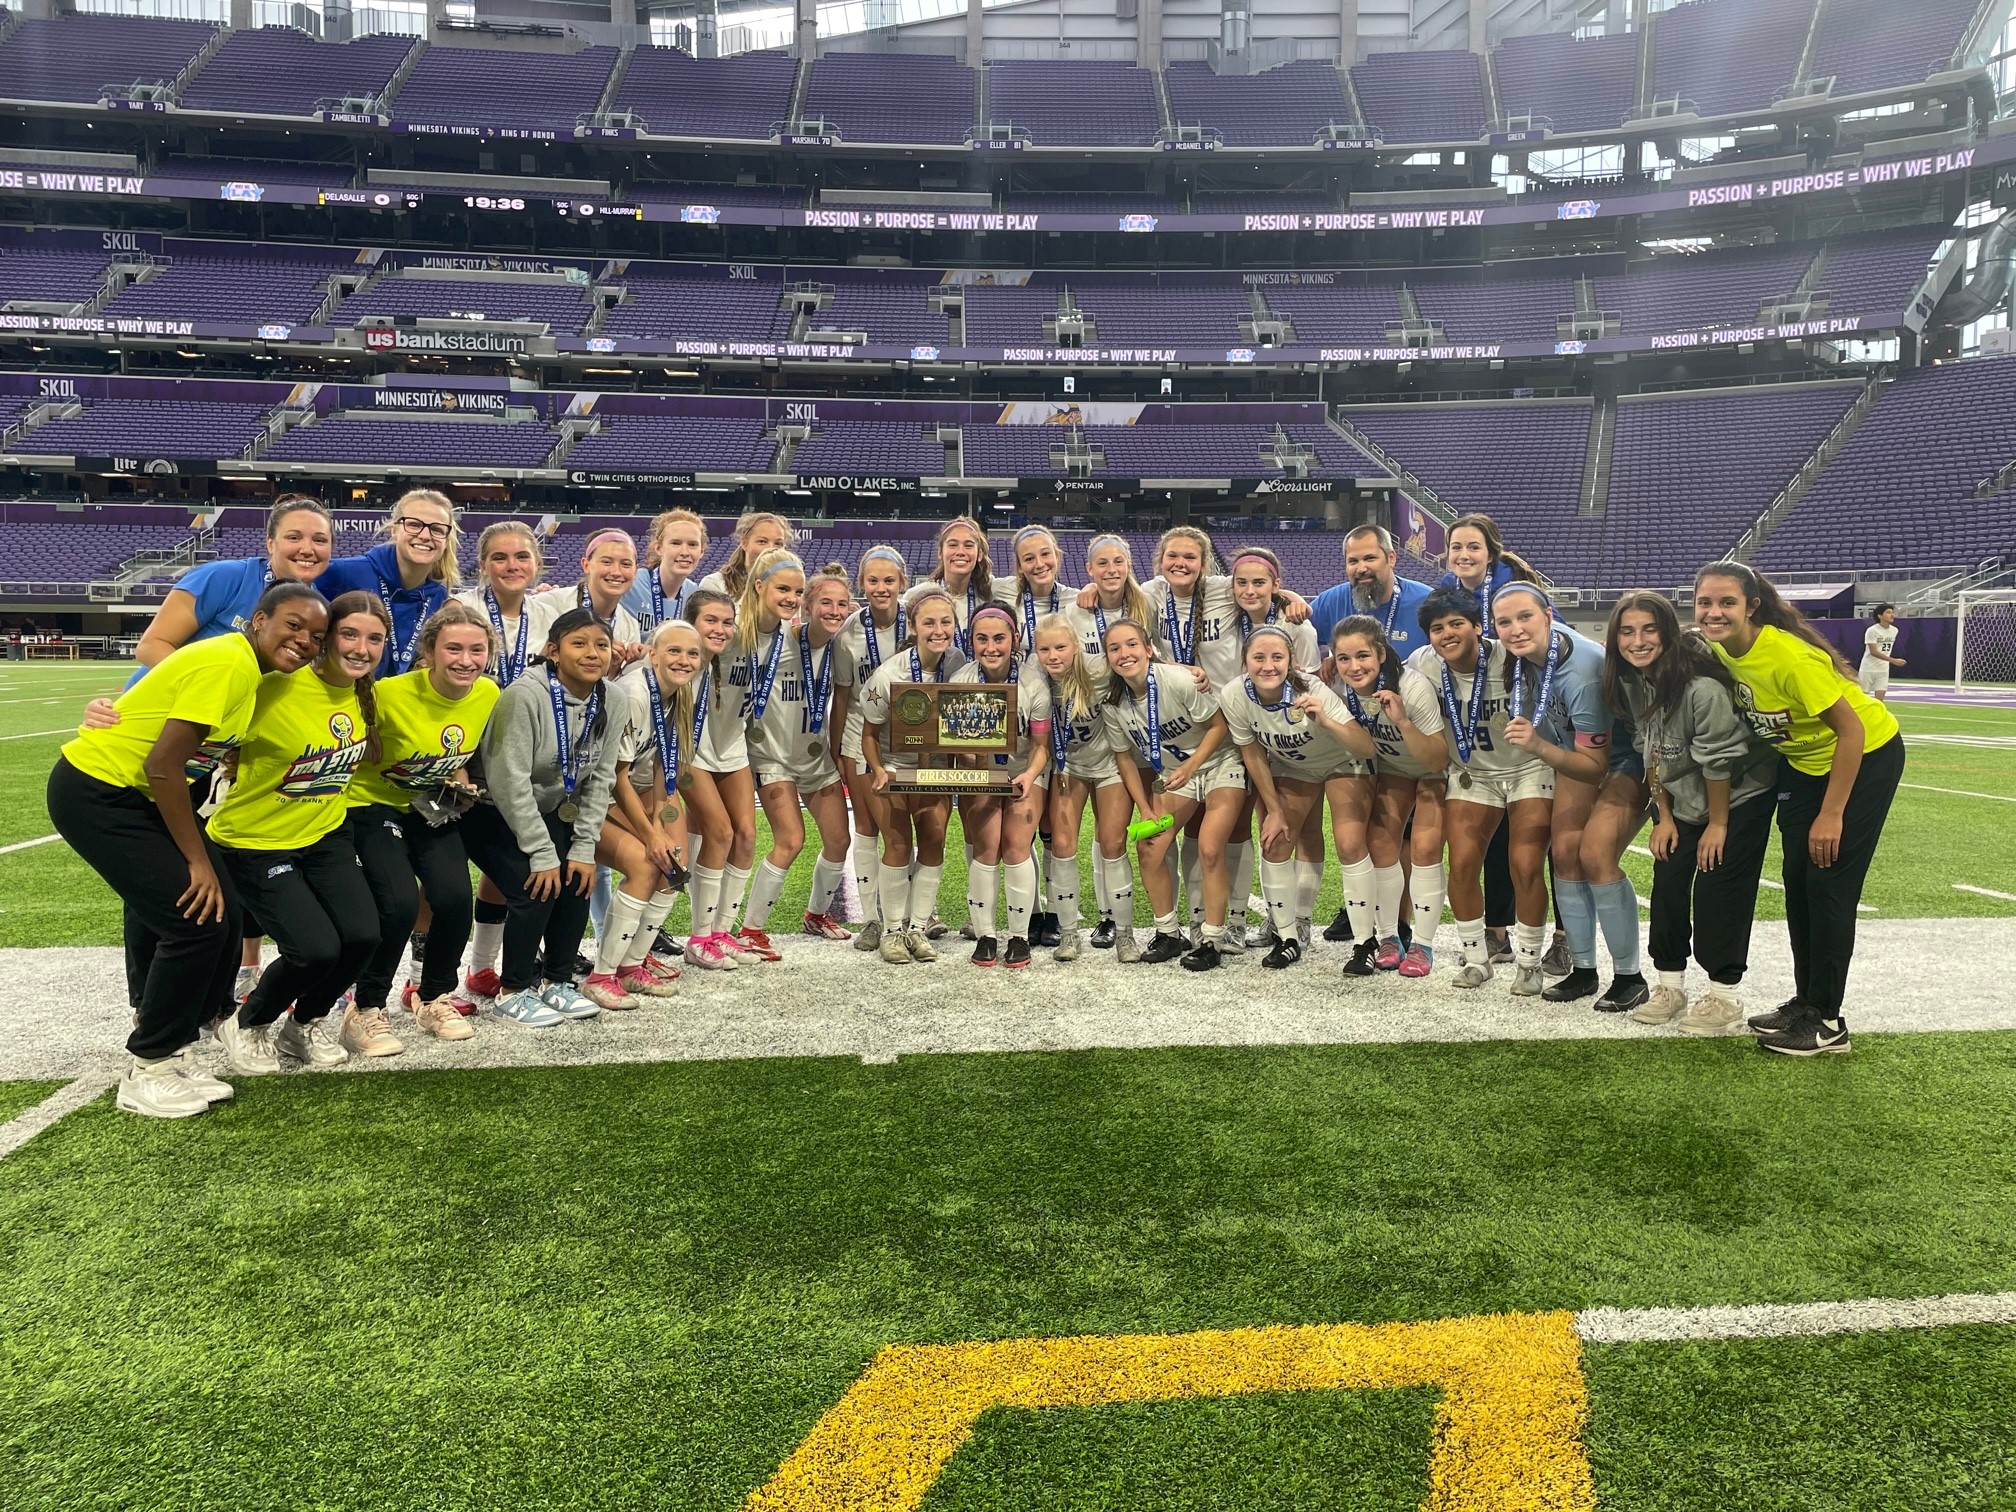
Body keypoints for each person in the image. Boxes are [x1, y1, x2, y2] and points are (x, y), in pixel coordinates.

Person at [46, 583, 325, 1118]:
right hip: (101, 791)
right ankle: (149, 1063)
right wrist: (197, 860)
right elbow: (161, 765)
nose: (304, 641)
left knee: (225, 909)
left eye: (315, 635)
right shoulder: (229, 663)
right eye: (292, 625)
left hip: (139, 794)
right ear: (258, 620)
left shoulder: (252, 671)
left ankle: (178, 1046)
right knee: (194, 920)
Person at [1694, 562, 1905, 1056]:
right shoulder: (1717, 646)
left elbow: (1851, 731)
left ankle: (1829, 1024)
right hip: (1804, 767)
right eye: (1705, 602)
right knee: (1800, 885)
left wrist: (1832, 814)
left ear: (1752, 606)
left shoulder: (1788, 658)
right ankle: (1807, 1002)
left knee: (1830, 885)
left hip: (1863, 757)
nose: (1714, 612)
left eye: (1727, 602)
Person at [208, 591, 386, 1072]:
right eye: (349, 634)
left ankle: (302, 1024)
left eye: (375, 638)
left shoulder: (366, 694)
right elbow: (186, 723)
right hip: (255, 843)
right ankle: (247, 1023)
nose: (361, 648)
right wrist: (109, 712)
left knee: (363, 937)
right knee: (313, 950)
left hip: (325, 835)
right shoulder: (273, 685)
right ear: (325, 640)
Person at [1603, 592, 1777, 1036]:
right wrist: (1663, 814)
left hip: (1736, 799)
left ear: (1668, 631)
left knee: (1719, 890)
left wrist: (1717, 825)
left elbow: (1718, 762)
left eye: (1648, 629)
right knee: (1669, 883)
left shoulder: (1702, 689)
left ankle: (1724, 994)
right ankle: (1670, 986)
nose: (1637, 641)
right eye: (1626, 631)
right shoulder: (1634, 681)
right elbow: (1651, 751)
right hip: (1681, 801)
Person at [345, 601, 502, 1045]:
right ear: (429, 651)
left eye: (477, 650)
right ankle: (366, 1006)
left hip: (429, 808)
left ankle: (433, 997)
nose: (466, 660)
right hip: (373, 806)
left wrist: (461, 781)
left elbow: (459, 753)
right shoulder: (388, 693)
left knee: (453, 899)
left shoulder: (488, 694)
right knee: (396, 905)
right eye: (454, 649)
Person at [459, 608, 621, 1028]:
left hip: (550, 808)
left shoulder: (613, 698)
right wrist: (541, 851)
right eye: (579, 644)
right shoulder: (524, 696)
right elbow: (508, 781)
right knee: (537, 885)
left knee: (578, 879)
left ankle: (557, 980)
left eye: (601, 644)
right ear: (553, 651)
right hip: (489, 810)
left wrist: (584, 848)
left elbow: (600, 779)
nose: (592, 653)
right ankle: (514, 990)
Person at [1490, 582, 1644, 1011]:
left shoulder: (1582, 672)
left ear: (1548, 616)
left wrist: (1537, 746)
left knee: (1595, 855)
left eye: (1525, 617)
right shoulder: (1526, 657)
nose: (1516, 629)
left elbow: (1596, 766)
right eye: (1505, 622)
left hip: (1624, 762)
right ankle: (1583, 970)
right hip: (1574, 753)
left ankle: (1631, 977)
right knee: (1564, 854)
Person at [1408, 586, 1553, 993]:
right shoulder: (1424, 663)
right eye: (1438, 628)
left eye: (1457, 624)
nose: (1448, 634)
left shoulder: (1511, 655)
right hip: (1473, 773)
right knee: (1463, 866)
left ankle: (1529, 962)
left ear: (1477, 626)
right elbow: (1385, 672)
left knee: (1525, 864)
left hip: (1527, 767)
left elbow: (1560, 652)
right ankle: (1476, 959)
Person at [1222, 625, 1372, 971]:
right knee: (1275, 840)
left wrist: (1326, 721)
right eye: (1259, 657)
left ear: (1291, 662)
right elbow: (1253, 753)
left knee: (1349, 844)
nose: (1268, 665)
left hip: (1341, 759)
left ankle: (1365, 943)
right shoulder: (1234, 695)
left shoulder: (1311, 688)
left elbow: (1365, 746)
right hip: (1296, 766)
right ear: (1245, 661)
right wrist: (1273, 809)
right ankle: (1290, 935)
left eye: (1277, 657)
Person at [1099, 617, 1245, 971]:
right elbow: (1125, 760)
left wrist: (1192, 767)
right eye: (1114, 648)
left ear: (1149, 649)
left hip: (1219, 763)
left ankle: (1211, 939)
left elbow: (1218, 726)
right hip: (1174, 774)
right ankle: (1168, 933)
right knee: (1149, 847)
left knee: (1210, 847)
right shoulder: (1113, 702)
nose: (1124, 653)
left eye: (1132, 644)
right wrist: (1144, 809)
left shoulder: (1177, 680)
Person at [733, 552, 854, 956]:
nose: (834, 612)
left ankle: (816, 914)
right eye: (825, 603)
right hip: (773, 758)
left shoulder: (840, 649)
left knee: (839, 840)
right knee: (791, 840)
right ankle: (750, 929)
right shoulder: (776, 641)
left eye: (841, 605)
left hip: (816, 760)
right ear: (807, 607)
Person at [1325, 614, 1450, 977]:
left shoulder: (1411, 687)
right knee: (1380, 844)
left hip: (1434, 771)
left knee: (1425, 849)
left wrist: (1403, 723)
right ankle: (1389, 936)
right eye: (1343, 658)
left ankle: (1423, 945)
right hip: (1393, 769)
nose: (1353, 666)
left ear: (1381, 653)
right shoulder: (1337, 685)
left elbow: (1436, 757)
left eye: (1362, 656)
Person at [577, 620, 692, 1009]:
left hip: (622, 792)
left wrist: (661, 822)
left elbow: (664, 766)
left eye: (692, 653)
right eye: (674, 651)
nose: (684, 660)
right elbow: (615, 777)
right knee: (648, 863)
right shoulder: (634, 694)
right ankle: (603, 975)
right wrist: (650, 834)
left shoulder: (677, 694)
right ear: (653, 654)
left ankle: (632, 964)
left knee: (676, 862)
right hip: (586, 797)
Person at [860, 586, 966, 963]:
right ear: (914, 627)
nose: (938, 630)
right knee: (898, 844)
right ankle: (891, 932)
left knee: (935, 840)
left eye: (945, 622)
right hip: (892, 766)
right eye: (929, 623)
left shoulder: (960, 665)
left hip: (936, 768)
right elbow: (868, 734)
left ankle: (918, 929)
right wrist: (877, 770)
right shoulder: (889, 673)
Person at [1062, 531, 1155, 946]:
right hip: (1077, 742)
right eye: (1102, 564)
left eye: (1118, 562)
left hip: (1126, 738)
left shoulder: (1148, 603)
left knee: (1112, 835)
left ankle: (1122, 925)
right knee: (1081, 838)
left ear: (1129, 566)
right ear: (1089, 570)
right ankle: (1099, 919)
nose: (1111, 570)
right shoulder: (1074, 610)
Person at [131, 494, 333, 677]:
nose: (307, 549)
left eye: (320, 540)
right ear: (270, 544)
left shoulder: (320, 610)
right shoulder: (224, 577)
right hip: (161, 707)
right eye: (293, 537)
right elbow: (151, 646)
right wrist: (210, 690)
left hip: (227, 714)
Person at [952, 605, 1052, 967]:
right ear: (971, 641)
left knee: (1015, 846)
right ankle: (986, 935)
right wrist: (973, 764)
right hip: (980, 773)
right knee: (987, 845)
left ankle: (1020, 936)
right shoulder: (961, 682)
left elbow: (1040, 747)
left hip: (1025, 770)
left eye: (999, 638)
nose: (991, 647)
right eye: (982, 639)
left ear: (1015, 639)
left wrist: (1027, 776)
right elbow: (952, 745)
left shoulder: (1033, 684)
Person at [1031, 612, 1133, 961]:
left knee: (1112, 843)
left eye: (1060, 647)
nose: (1053, 655)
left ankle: (1124, 935)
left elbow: (1145, 666)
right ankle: (1069, 934)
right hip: (1067, 767)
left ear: (1076, 647)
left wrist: (1189, 671)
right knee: (1061, 845)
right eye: (1044, 649)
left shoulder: (1099, 671)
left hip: (1109, 766)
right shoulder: (1035, 680)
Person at [832, 546, 911, 955]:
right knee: (866, 826)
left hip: (912, 740)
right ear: (862, 584)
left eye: (889, 580)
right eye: (873, 580)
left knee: (907, 826)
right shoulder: (848, 633)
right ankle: (871, 921)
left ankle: (914, 916)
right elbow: (843, 698)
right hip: (860, 736)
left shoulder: (917, 620)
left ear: (904, 582)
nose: (881, 588)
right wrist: (837, 749)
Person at [678, 588, 758, 970]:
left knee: (745, 837)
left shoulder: (734, 654)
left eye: (727, 622)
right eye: (710, 620)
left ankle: (722, 931)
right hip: (691, 755)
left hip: (730, 749)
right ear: (690, 621)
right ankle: (699, 937)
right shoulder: (678, 659)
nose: (721, 629)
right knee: (720, 833)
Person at [316, 488, 459, 677]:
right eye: (414, 524)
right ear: (394, 531)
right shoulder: (346, 572)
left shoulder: (437, 595)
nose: (425, 536)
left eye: (437, 529)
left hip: (392, 700)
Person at [1305, 523, 1435, 662]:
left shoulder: (1426, 601)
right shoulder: (1331, 602)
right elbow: (1292, 640)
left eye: (1370, 558)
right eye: (1353, 561)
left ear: (1391, 558)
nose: (1361, 568)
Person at [526, 527, 644, 667]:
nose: (616, 572)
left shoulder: (629, 625)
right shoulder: (550, 603)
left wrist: (612, 668)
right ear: (586, 565)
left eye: (626, 564)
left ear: (636, 571)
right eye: (606, 562)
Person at [454, 520, 544, 687]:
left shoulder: (549, 616)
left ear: (537, 562)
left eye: (522, 556)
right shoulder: (460, 608)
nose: (512, 566)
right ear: (483, 566)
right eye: (500, 558)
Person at [623, 507, 709, 634]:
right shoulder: (631, 583)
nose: (685, 552)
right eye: (675, 543)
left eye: (692, 544)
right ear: (659, 548)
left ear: (701, 551)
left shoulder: (695, 596)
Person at [699, 510, 791, 598]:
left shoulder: (791, 587)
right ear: (744, 543)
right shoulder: (715, 584)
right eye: (762, 541)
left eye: (778, 544)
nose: (771, 549)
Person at [1860, 604, 1904, 700]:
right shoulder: (1872, 630)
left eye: (1892, 612)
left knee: (1880, 700)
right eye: (1888, 612)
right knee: (1863, 698)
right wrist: (1893, 660)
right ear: (1880, 616)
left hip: (1883, 669)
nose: (1892, 615)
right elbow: (1873, 652)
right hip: (1868, 668)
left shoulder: (1894, 630)